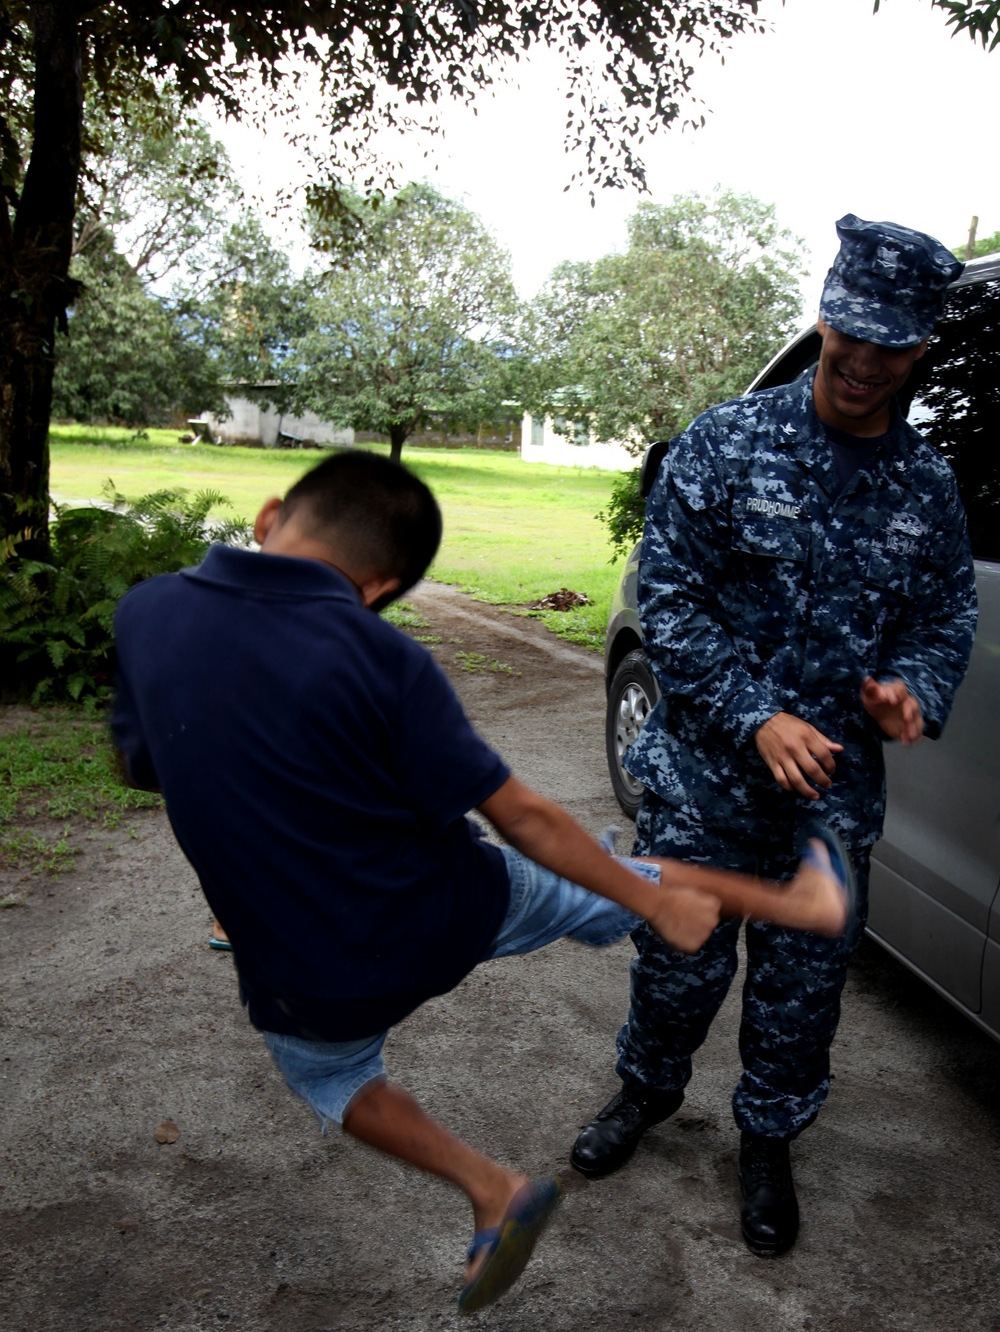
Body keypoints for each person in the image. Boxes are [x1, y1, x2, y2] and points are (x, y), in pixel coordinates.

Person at [111, 450, 854, 1312]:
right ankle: (791, 899)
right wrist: (649, 899)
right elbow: (525, 817)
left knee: (329, 1076)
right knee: (592, 879)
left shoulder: (147, 612)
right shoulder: (383, 660)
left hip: (306, 974)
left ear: (270, 515)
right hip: (447, 909)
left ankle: (489, 1187)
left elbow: (147, 769)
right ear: (381, 588)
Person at [570, 215, 979, 1257]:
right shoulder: (725, 441)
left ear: (921, 348)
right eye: (849, 331)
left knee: (802, 992)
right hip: (706, 783)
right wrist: (754, 713)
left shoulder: (925, 490)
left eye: (890, 343)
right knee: (675, 965)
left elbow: (941, 621)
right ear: (823, 315)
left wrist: (914, 693)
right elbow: (668, 597)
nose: (861, 358)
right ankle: (645, 1092)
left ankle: (766, 1140)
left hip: (828, 803)